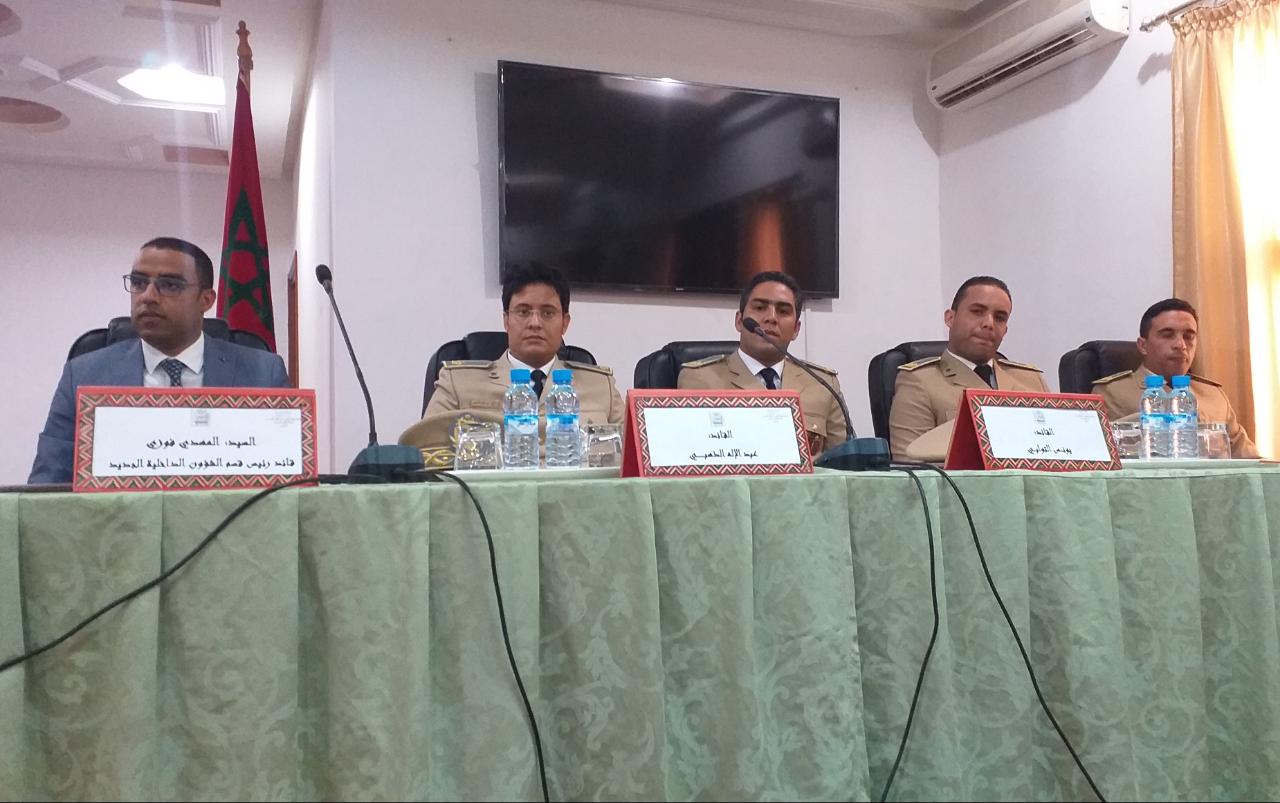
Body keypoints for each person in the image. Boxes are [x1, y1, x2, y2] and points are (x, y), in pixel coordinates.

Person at [29, 237, 290, 483]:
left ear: (206, 300)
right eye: (138, 283)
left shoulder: (263, 373)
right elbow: (47, 485)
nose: (148, 296)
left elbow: (288, 483)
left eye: (170, 285)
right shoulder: (83, 375)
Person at [403, 262, 624, 457]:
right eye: (523, 312)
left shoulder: (601, 387)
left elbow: (636, 459)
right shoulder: (458, 384)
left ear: (565, 323)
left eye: (548, 313)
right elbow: (424, 452)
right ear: (506, 320)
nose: (535, 323)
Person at [677, 271, 849, 455]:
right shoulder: (701, 379)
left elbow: (842, 463)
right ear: (739, 321)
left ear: (796, 330)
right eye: (760, 308)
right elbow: (691, 456)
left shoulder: (823, 384)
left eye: (783, 311)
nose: (771, 318)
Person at [889, 276, 1048, 462]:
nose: (989, 323)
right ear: (950, 318)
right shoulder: (919, 381)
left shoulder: (1031, 380)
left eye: (1000, 318)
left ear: (1005, 330)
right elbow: (912, 468)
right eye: (977, 312)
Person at [1092, 298, 1260, 458]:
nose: (1181, 345)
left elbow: (1250, 459)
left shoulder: (1213, 396)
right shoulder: (1111, 393)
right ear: (1143, 345)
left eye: (1189, 336)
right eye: (1167, 335)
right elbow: (1094, 458)